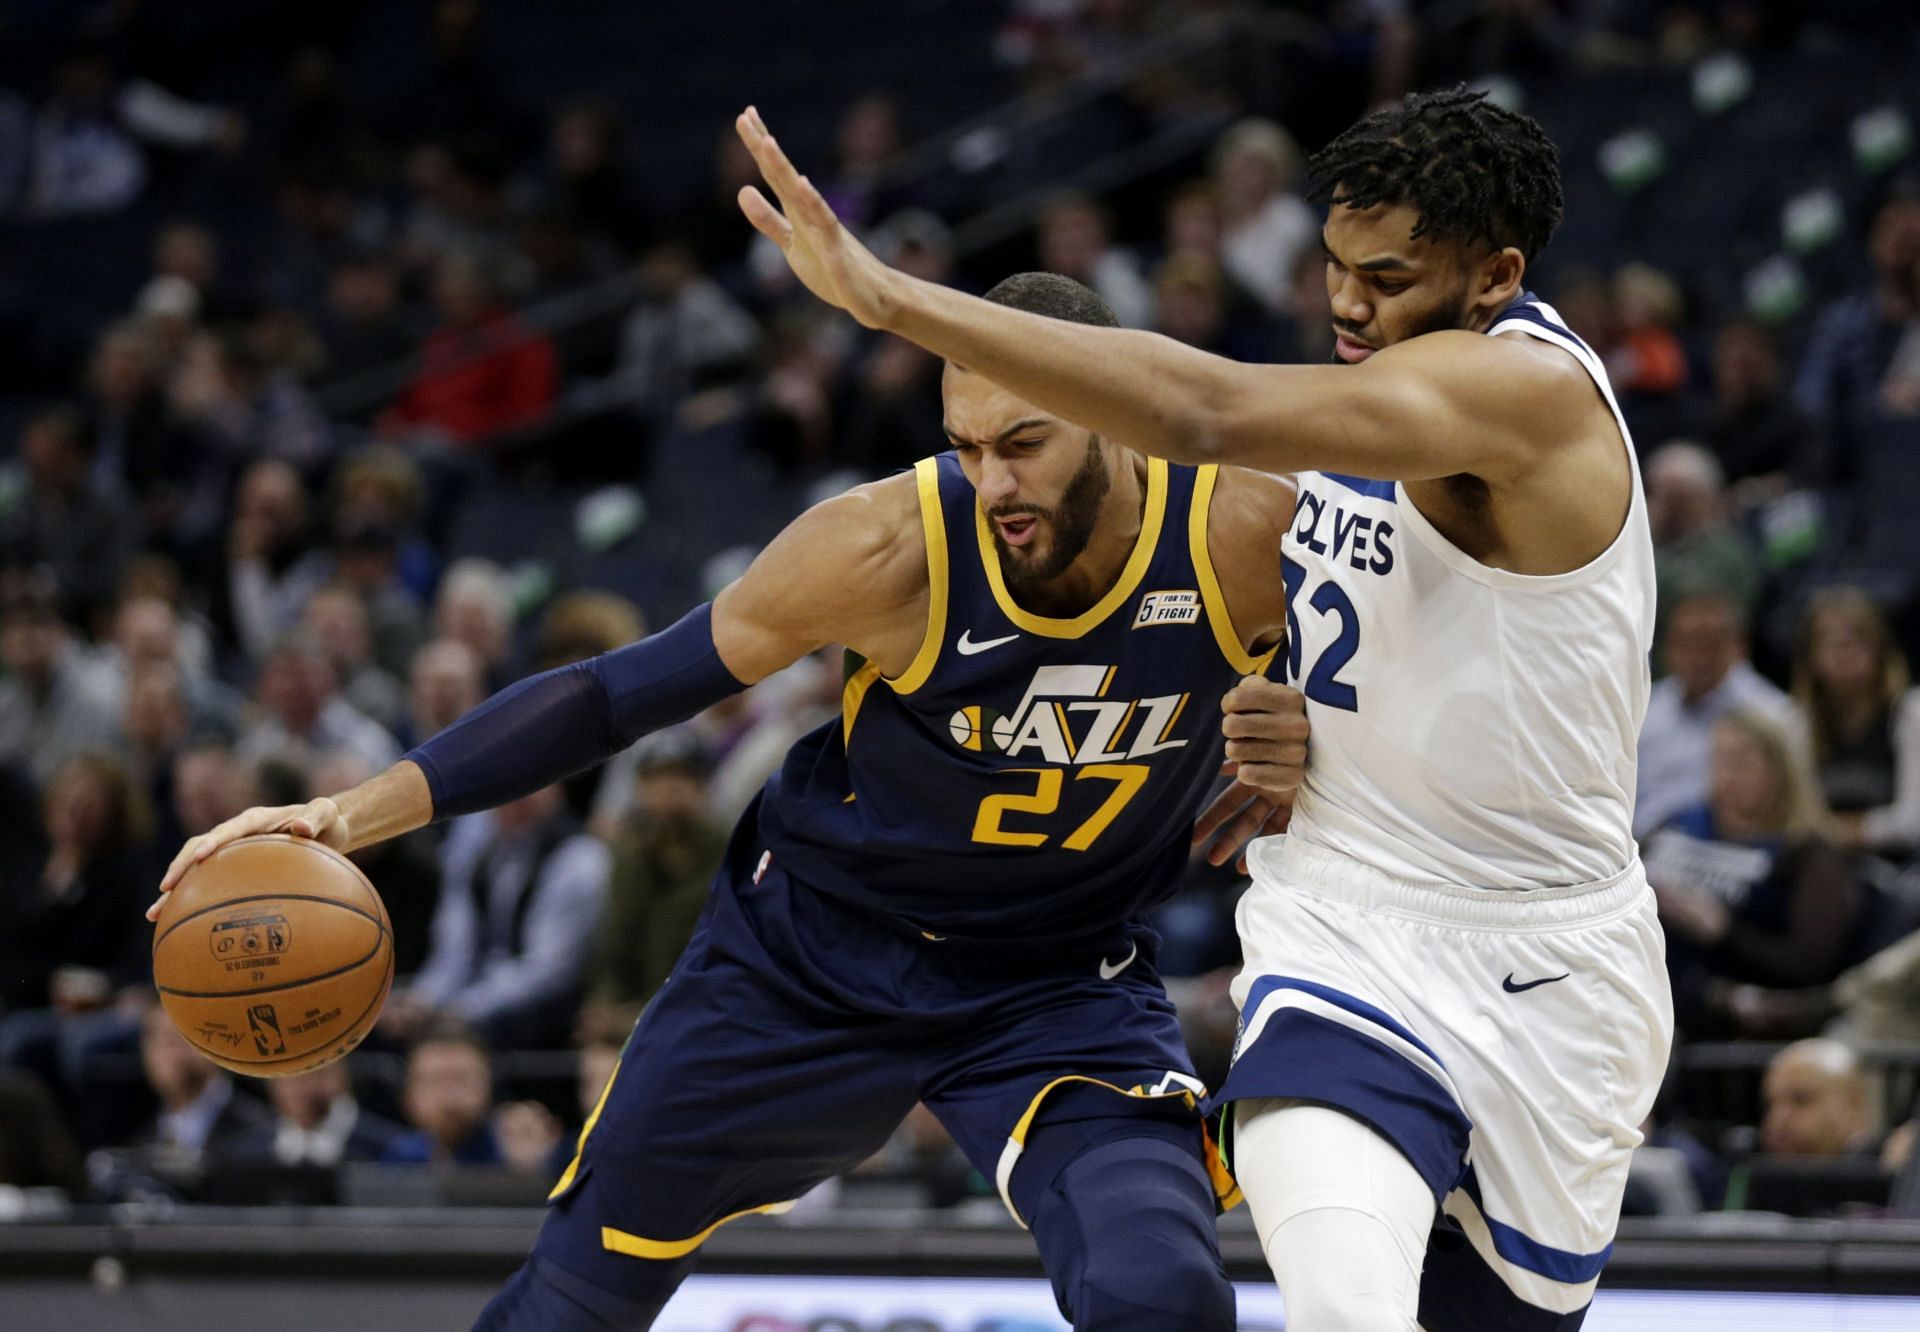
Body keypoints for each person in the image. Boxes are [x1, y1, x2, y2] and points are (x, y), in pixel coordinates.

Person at [152, 268, 1305, 1332]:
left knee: (1162, 1291)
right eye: (965, 446)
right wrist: (345, 816)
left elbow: (1419, 670)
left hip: (1054, 983)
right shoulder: (889, 544)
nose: (992, 480)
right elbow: (613, 694)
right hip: (804, 961)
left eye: (1025, 443)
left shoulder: (1246, 535)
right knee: (572, 1301)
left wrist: (1318, 734)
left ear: (1115, 408)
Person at [732, 87, 1671, 1329]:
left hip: (1549, 962)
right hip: (1340, 925)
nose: (1345, 303)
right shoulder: (1367, 380)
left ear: (1494, 275)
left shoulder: (1525, 402)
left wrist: (894, 301)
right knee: (1344, 1306)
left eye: (1386, 279)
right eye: (1332, 265)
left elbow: (1206, 411)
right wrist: (1289, 710)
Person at [1645, 711, 1866, 1038]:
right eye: (1718, 760)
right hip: (1651, 985)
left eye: (1741, 762)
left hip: (1734, 1019)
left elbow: (1809, 964)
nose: (1725, 777)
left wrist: (1724, 931)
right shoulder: (1678, 824)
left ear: (1782, 770)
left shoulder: (1807, 852)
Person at [1636, 589, 1792, 839]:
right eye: (1686, 643)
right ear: (1666, 648)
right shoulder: (1645, 709)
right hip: (1644, 849)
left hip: (1737, 849)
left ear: (1738, 645)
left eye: (1709, 643)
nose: (1697, 656)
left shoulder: (1775, 715)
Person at [1790, 586, 1920, 856]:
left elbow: (1912, 823)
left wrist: (1843, 832)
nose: (1843, 649)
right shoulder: (1797, 722)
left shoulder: (1911, 715)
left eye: (1856, 637)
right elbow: (1794, 817)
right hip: (1823, 864)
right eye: (1827, 639)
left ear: (1881, 649)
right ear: (1810, 655)